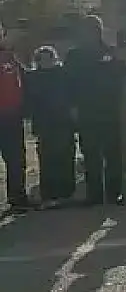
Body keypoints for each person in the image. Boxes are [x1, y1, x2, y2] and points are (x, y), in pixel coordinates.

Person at [64, 15, 126, 206]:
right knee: (91, 154)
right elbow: (68, 83)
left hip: (109, 109)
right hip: (86, 109)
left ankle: (115, 192)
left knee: (113, 153)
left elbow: (121, 77)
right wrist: (72, 107)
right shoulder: (74, 55)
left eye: (95, 29)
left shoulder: (110, 52)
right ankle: (94, 194)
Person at [27, 46, 77, 205]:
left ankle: (67, 192)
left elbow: (72, 96)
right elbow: (30, 102)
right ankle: (49, 193)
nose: (46, 61)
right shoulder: (33, 77)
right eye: (42, 59)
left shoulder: (63, 74)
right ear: (38, 61)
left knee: (66, 155)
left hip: (63, 121)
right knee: (47, 158)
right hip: (44, 122)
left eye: (48, 58)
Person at [0, 27, 31, 212]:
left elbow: (25, 78)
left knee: (16, 158)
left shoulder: (10, 58)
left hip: (12, 115)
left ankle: (18, 197)